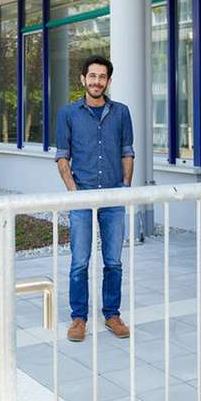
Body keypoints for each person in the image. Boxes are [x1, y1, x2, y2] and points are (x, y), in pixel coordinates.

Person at [55, 55, 134, 343]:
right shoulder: (68, 113)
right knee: (80, 261)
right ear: (83, 79)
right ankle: (79, 318)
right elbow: (62, 157)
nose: (96, 81)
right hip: (82, 196)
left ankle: (112, 314)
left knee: (113, 261)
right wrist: (74, 193)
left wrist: (125, 186)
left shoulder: (122, 112)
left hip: (113, 195)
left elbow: (127, 151)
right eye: (92, 76)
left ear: (108, 81)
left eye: (102, 77)